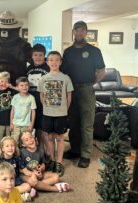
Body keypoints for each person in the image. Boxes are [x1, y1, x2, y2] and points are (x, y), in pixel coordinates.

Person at [60, 21, 106, 168]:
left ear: (86, 32)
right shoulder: (68, 52)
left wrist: (91, 83)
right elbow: (63, 71)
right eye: (76, 30)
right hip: (71, 90)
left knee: (87, 123)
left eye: (82, 30)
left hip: (87, 89)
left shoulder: (94, 51)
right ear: (73, 32)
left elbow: (101, 71)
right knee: (73, 122)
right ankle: (74, 150)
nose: (79, 33)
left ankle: (85, 154)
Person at [37, 51, 73, 176]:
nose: (54, 62)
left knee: (60, 137)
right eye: (51, 60)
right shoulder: (43, 79)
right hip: (48, 113)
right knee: (49, 138)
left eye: (56, 60)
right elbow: (41, 96)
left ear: (60, 62)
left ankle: (59, 162)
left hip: (61, 113)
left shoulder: (65, 78)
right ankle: (52, 160)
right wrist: (47, 108)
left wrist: (64, 110)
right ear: (47, 62)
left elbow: (69, 96)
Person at [0, 136, 35, 202]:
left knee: (27, 187)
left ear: (15, 147)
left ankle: (8, 195)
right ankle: (20, 197)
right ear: (2, 149)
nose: (10, 148)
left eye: (12, 146)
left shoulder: (17, 158)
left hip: (16, 180)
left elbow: (25, 171)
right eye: (7, 146)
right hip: (4, 181)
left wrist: (33, 175)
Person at [26, 44, 50, 149]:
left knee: (41, 127)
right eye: (35, 55)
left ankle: (41, 149)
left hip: (42, 101)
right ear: (32, 56)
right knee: (30, 124)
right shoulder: (29, 68)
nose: (38, 57)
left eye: (40, 55)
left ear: (44, 55)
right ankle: (31, 147)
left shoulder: (48, 67)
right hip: (31, 100)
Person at [0, 71, 18, 143]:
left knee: (10, 139)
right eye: (1, 81)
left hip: (10, 121)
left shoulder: (12, 90)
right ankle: (0, 153)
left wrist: (12, 86)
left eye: (5, 81)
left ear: (8, 82)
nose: (3, 83)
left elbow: (22, 91)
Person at [10, 77, 36, 144]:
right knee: (14, 142)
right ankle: (16, 154)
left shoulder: (31, 98)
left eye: (26, 85)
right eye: (21, 85)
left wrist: (31, 125)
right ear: (17, 87)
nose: (24, 87)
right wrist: (11, 123)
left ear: (29, 86)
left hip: (26, 125)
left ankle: (24, 154)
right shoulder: (15, 97)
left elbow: (33, 112)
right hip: (15, 124)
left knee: (24, 142)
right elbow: (12, 110)